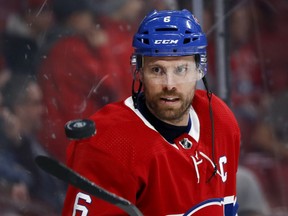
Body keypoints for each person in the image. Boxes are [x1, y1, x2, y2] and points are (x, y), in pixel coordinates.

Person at [62, 9, 240, 215]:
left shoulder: (220, 120)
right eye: (157, 70)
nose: (169, 84)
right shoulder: (108, 143)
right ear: (138, 71)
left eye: (181, 69)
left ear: (200, 69)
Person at [36, 0, 121, 161]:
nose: (93, 22)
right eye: (88, 16)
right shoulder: (74, 48)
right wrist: (103, 49)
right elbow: (109, 85)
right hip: (79, 135)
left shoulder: (52, 45)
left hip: (57, 132)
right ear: (75, 18)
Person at [0, 74, 66, 215]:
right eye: (36, 103)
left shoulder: (32, 142)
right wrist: (20, 144)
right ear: (19, 108)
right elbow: (36, 185)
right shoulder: (9, 145)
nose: (42, 110)